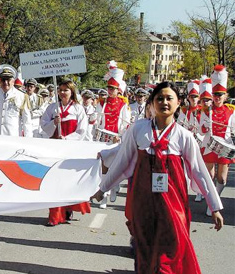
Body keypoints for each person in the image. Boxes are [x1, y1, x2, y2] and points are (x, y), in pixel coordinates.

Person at [91, 81, 223, 273]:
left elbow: (199, 171)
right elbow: (122, 161)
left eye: (169, 98)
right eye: (159, 98)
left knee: (172, 246)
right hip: (143, 198)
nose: (164, 102)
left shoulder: (184, 136)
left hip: (173, 201)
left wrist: (215, 206)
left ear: (179, 102)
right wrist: (103, 188)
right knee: (145, 245)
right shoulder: (139, 129)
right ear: (152, 103)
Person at [40, 79, 89, 225]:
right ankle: (54, 215)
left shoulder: (78, 109)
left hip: (70, 149)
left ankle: (68, 208)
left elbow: (82, 130)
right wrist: (53, 124)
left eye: (65, 90)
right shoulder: (52, 107)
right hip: (55, 149)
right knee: (54, 181)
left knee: (68, 181)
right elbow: (43, 125)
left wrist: (67, 139)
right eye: (60, 90)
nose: (62, 93)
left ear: (71, 92)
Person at [199, 65, 234, 216]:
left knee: (222, 178)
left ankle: (216, 198)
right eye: (215, 94)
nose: (217, 97)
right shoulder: (206, 110)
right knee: (209, 176)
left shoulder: (231, 111)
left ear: (225, 96)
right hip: (209, 145)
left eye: (220, 94)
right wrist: (204, 128)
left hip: (225, 146)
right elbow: (201, 129)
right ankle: (212, 203)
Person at [95, 65, 131, 206]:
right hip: (103, 137)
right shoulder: (102, 102)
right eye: (108, 88)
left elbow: (126, 124)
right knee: (103, 165)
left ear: (118, 90)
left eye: (113, 89)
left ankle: (113, 187)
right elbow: (97, 120)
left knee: (115, 166)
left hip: (116, 137)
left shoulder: (123, 104)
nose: (110, 91)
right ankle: (103, 195)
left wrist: (120, 136)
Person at [0, 65, 32, 137]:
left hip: (13, 136)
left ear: (13, 81)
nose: (6, 82)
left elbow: (27, 121)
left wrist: (28, 140)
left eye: (8, 79)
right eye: (3, 79)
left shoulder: (22, 96)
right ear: (0, 80)